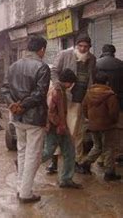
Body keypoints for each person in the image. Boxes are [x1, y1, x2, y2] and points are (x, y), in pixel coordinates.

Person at [1, 35, 50, 203]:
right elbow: (40, 93)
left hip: (17, 117)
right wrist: (23, 105)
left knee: (22, 151)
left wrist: (13, 105)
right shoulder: (42, 67)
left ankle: (20, 187)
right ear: (41, 50)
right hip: (34, 118)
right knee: (33, 155)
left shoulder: (13, 66)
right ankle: (26, 193)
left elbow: (5, 89)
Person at [51, 34, 96, 173]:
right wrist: (59, 87)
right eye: (80, 46)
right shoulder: (65, 54)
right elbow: (53, 71)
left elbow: (91, 77)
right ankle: (53, 162)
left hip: (81, 101)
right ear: (76, 46)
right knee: (61, 130)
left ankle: (76, 160)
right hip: (65, 100)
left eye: (86, 47)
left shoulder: (92, 59)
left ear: (89, 47)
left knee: (78, 132)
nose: (83, 49)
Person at [41, 68, 82, 189]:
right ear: (68, 82)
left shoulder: (56, 89)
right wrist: (60, 125)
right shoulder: (57, 92)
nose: (72, 86)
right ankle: (26, 164)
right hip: (56, 127)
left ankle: (66, 179)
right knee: (49, 152)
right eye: (71, 83)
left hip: (58, 126)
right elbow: (51, 112)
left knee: (68, 151)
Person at [79, 72, 121, 181]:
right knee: (109, 148)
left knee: (97, 146)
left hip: (93, 126)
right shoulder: (110, 95)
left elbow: (84, 108)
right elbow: (114, 112)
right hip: (108, 127)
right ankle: (109, 173)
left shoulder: (88, 93)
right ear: (107, 82)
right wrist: (113, 122)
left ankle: (85, 164)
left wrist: (91, 120)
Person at [97, 44, 123, 111]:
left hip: (100, 98)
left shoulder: (96, 63)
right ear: (114, 52)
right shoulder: (121, 63)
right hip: (118, 98)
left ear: (102, 51)